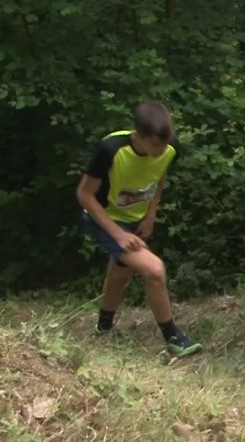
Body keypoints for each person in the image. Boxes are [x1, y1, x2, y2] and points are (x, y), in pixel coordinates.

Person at [76, 101, 201, 357]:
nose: (162, 150)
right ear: (139, 135)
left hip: (135, 218)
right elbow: (84, 194)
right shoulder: (111, 149)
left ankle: (104, 328)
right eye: (155, 144)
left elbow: (160, 176)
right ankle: (173, 337)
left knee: (119, 274)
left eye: (165, 144)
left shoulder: (170, 148)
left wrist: (151, 214)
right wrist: (118, 233)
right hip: (104, 218)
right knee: (154, 269)